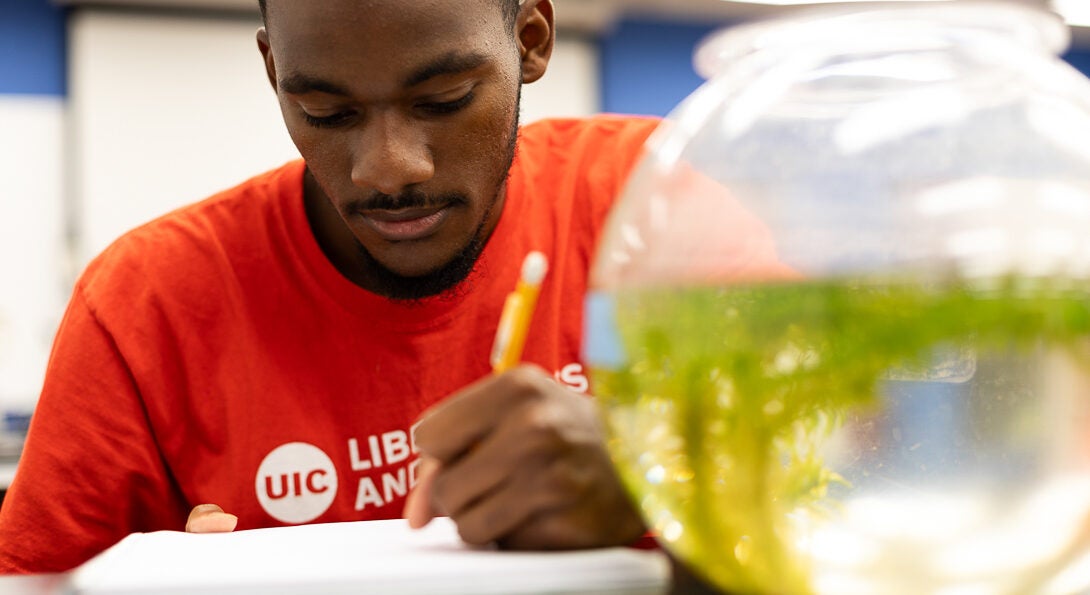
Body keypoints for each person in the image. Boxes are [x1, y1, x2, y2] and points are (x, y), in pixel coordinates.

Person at [0, 0, 661, 574]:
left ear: (531, 40)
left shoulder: (663, 206)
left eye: (443, 100)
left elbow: (769, 524)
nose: (389, 170)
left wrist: (655, 485)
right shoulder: (145, 302)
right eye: (327, 111)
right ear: (272, 72)